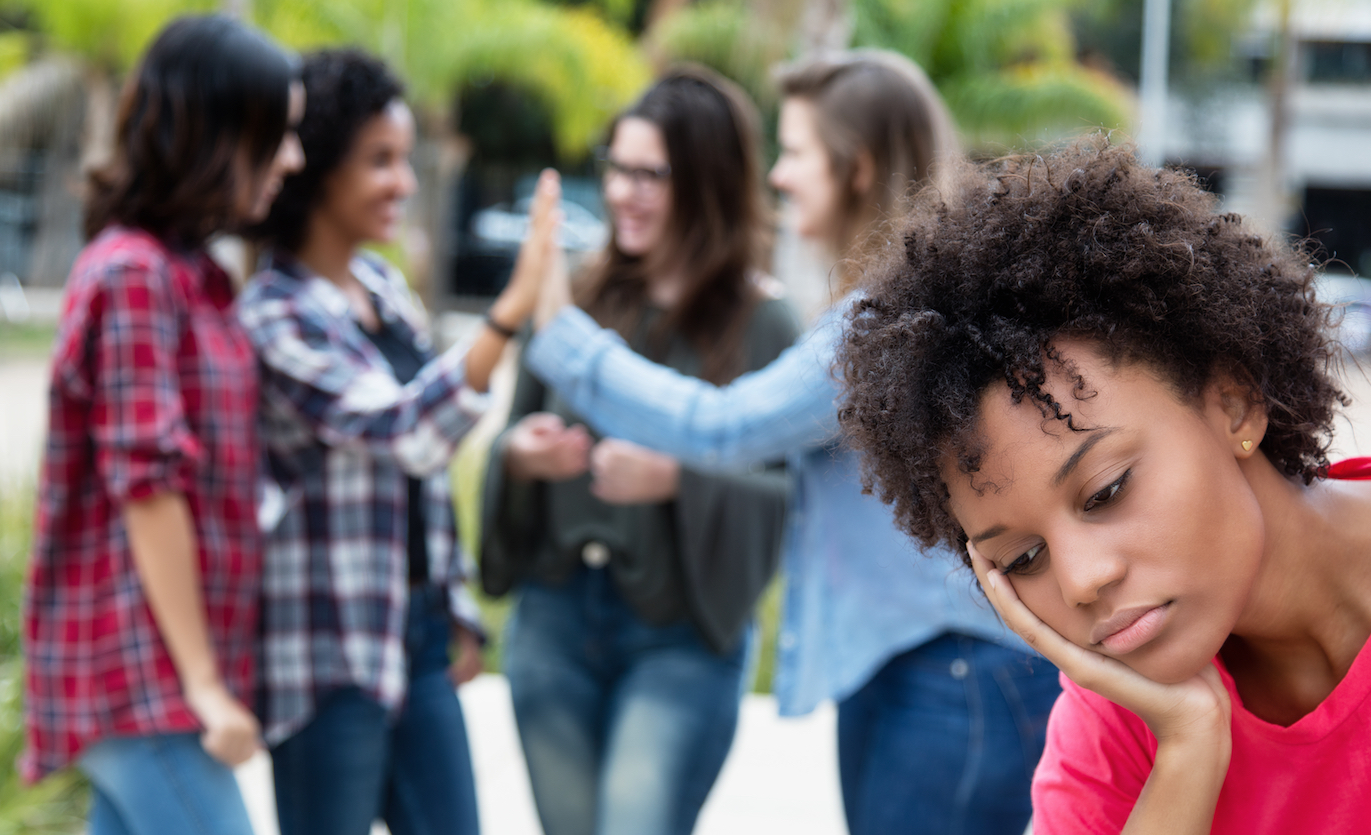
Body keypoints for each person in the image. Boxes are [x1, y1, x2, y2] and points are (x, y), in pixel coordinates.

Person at [835, 135, 1371, 834]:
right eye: (1023, 557)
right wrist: (1187, 754)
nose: (1082, 581)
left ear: (1233, 401)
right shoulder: (1124, 714)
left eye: (1106, 491)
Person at [525, 50, 1058, 835]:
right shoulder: (903, 304)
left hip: (953, 679)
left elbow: (726, 427)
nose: (777, 175)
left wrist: (559, 332)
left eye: (797, 152)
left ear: (857, 166)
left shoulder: (887, 319)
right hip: (932, 670)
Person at [237, 49, 560, 835]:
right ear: (314, 171)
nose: (403, 182)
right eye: (380, 161)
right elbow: (408, 430)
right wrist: (511, 308)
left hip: (415, 635)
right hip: (329, 653)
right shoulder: (275, 315)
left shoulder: (381, 290)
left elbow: (427, 477)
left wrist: (452, 605)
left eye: (405, 159)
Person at [482, 66, 800, 835]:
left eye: (651, 173)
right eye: (617, 168)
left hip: (678, 638)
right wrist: (521, 457)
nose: (624, 191)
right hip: (555, 619)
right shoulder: (581, 296)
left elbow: (796, 498)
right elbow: (508, 434)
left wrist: (675, 479)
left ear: (708, 181)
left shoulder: (765, 323)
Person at [21, 15, 304, 835]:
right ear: (215, 134)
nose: (291, 159)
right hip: (135, 674)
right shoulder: (134, 274)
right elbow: (148, 489)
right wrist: (204, 683)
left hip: (161, 679)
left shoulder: (194, 276)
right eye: (275, 135)